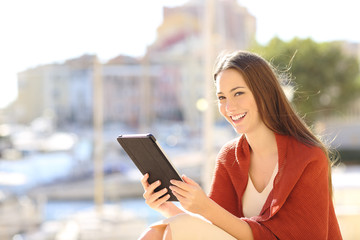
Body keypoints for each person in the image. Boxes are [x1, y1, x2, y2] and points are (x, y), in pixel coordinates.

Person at [139, 50, 343, 239]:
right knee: (157, 231)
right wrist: (166, 206)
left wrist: (205, 206)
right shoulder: (229, 156)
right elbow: (215, 229)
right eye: (221, 97)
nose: (229, 107)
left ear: (264, 92)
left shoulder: (309, 157)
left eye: (238, 93)